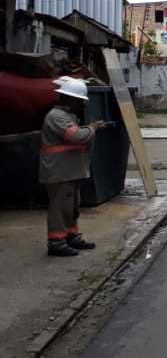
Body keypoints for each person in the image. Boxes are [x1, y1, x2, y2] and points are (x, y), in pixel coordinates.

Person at [39, 77, 104, 257]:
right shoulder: (57, 116)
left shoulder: (67, 116)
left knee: (71, 208)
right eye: (81, 102)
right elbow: (75, 136)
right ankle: (56, 243)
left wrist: (89, 129)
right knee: (60, 208)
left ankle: (71, 236)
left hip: (69, 171)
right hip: (60, 172)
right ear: (72, 100)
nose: (83, 106)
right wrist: (91, 129)